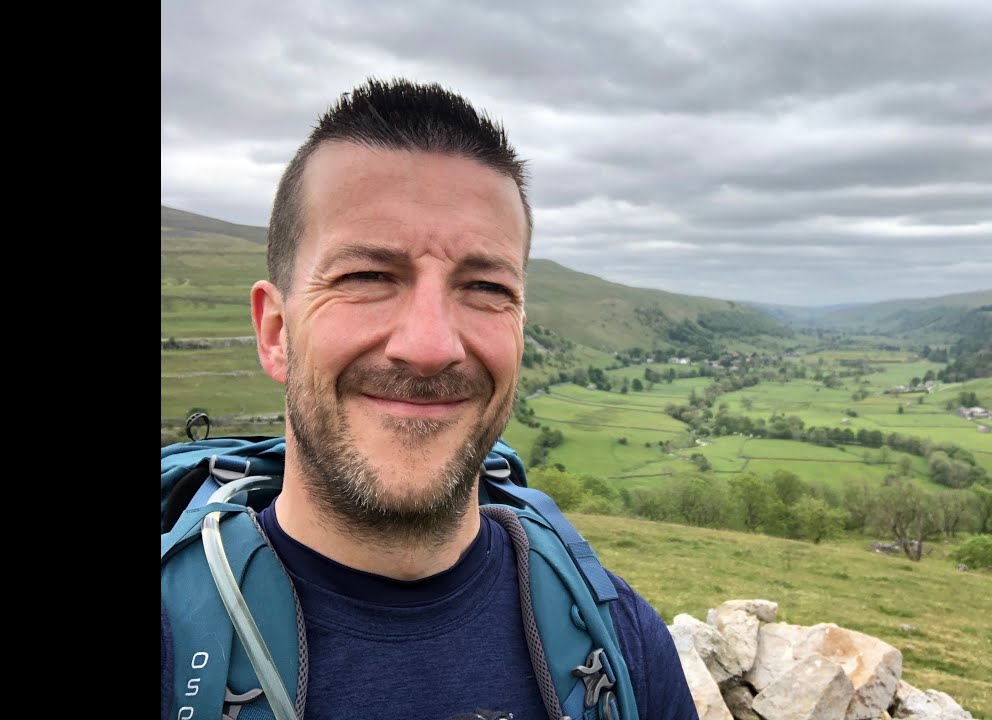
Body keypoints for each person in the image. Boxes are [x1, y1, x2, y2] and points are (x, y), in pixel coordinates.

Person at [161, 77, 698, 720]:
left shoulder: (624, 642)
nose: (430, 346)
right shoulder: (173, 636)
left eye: (485, 287)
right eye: (366, 276)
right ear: (275, 333)